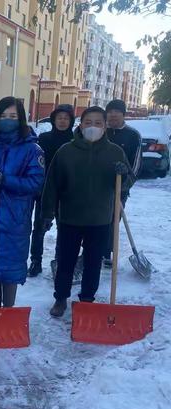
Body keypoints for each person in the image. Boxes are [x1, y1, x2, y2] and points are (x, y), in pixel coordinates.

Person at [41, 106, 133, 317]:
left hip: (100, 219)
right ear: (81, 125)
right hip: (70, 218)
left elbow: (126, 183)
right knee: (66, 261)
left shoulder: (114, 152)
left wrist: (123, 174)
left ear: (105, 126)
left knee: (93, 263)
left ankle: (87, 300)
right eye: (88, 123)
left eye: (98, 123)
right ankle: (61, 298)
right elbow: (52, 185)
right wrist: (47, 213)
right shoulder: (66, 152)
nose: (93, 127)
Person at [0, 97, 45, 307]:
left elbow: (35, 183)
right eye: (3, 116)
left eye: (13, 116)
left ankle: (8, 313)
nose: (8, 120)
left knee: (10, 268)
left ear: (21, 119)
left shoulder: (32, 150)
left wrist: (5, 180)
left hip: (14, 218)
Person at [28, 104, 75, 277]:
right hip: (46, 190)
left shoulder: (76, 139)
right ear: (54, 120)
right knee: (39, 227)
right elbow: (37, 163)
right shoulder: (44, 138)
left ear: (71, 121)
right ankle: (36, 261)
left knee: (65, 229)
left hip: (68, 193)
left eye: (66, 118)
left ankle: (59, 260)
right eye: (59, 118)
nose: (62, 121)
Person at [103, 99, 141, 267]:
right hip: (97, 187)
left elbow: (136, 165)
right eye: (110, 111)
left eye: (116, 111)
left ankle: (106, 252)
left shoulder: (132, 135)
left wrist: (124, 184)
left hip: (120, 188)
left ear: (123, 114)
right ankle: (90, 251)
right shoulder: (100, 131)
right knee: (94, 220)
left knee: (112, 221)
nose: (112, 114)